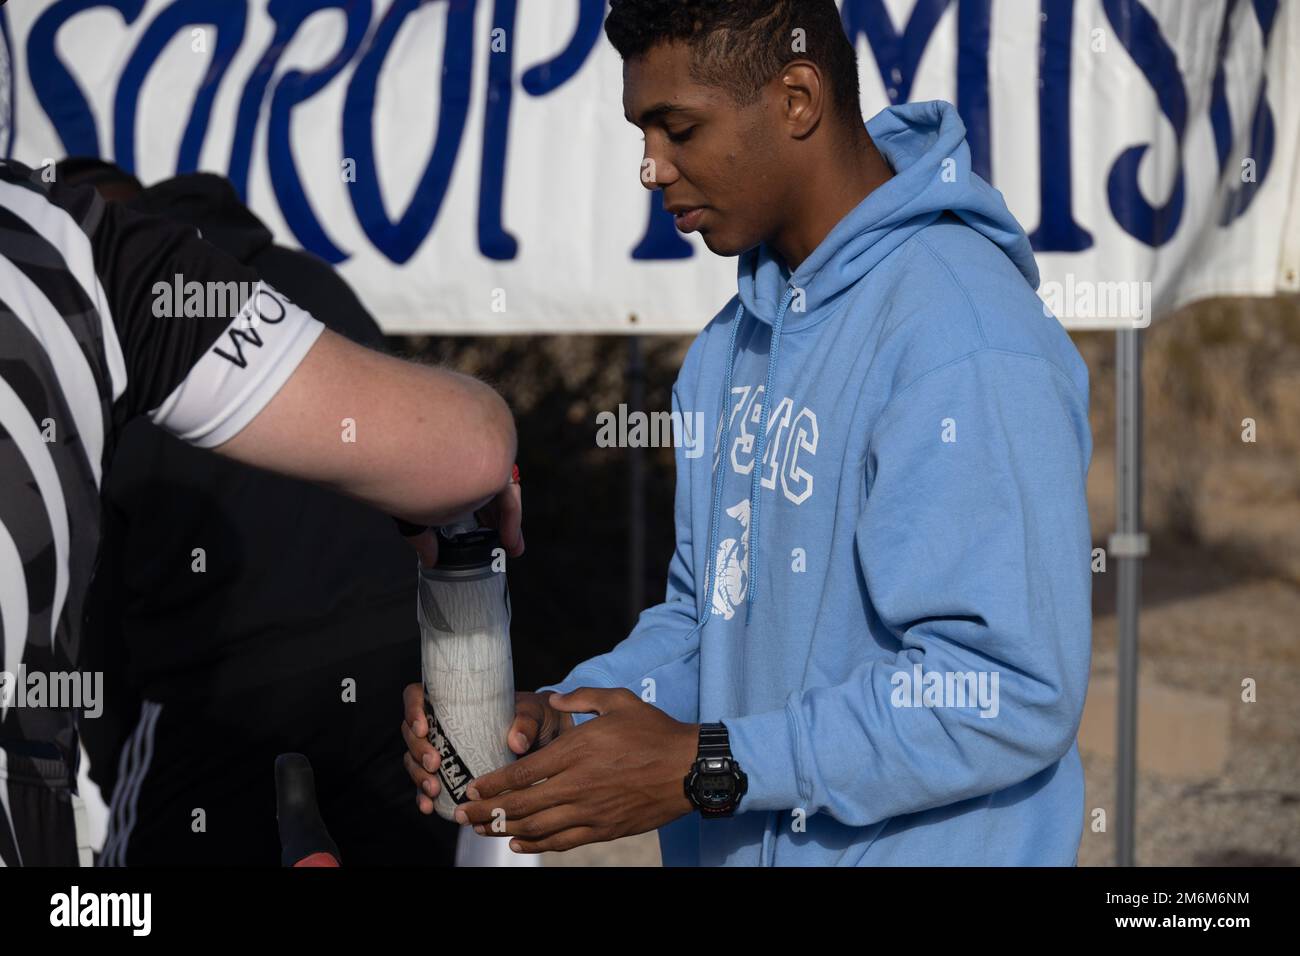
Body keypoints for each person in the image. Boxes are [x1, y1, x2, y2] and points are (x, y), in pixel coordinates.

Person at [402, 0, 1091, 866]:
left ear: (797, 98)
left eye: (678, 129)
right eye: (641, 133)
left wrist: (709, 767)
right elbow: (706, 623)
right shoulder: (731, 348)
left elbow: (1006, 692)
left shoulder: (965, 339)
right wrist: (561, 719)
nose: (652, 168)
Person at [0, 157, 521, 867]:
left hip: (216, 695)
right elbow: (461, 449)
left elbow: (93, 606)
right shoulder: (301, 279)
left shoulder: (109, 282)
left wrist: (118, 759)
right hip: (379, 667)